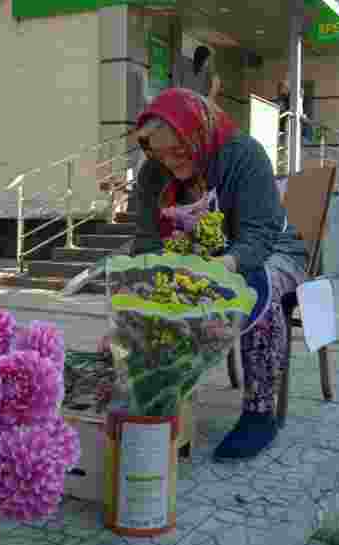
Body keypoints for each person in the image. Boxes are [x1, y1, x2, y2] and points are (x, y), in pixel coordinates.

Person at [128, 88, 308, 461]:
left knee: (255, 288)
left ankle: (260, 413)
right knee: (153, 291)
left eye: (179, 151)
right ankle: (166, 405)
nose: (170, 163)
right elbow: (146, 242)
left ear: (199, 132)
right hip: (201, 258)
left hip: (271, 250)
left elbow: (260, 235)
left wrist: (221, 267)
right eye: (159, 154)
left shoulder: (243, 155)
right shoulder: (152, 175)